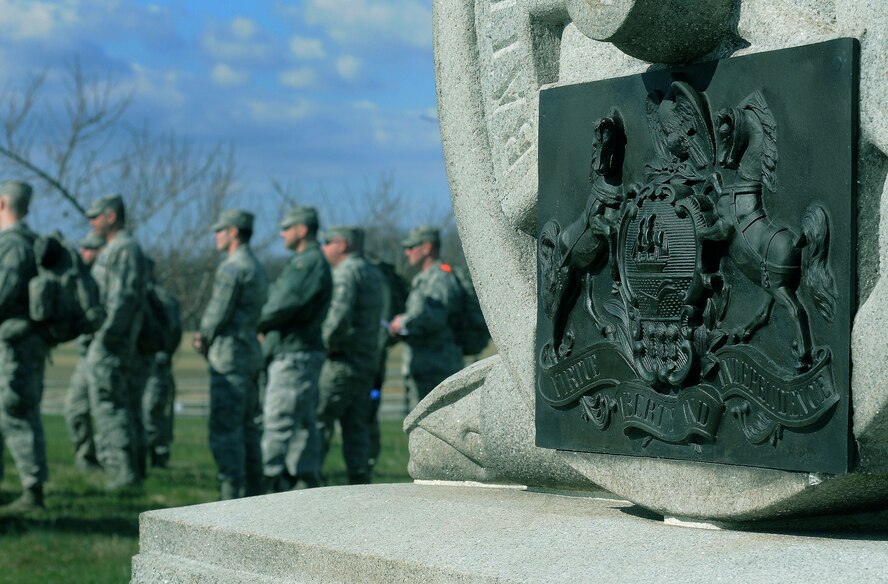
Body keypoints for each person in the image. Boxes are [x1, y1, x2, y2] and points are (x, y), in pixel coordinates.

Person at [194, 209, 267, 500]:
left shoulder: (231, 268)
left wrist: (203, 337)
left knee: (225, 428)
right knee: (249, 427)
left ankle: (230, 492)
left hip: (228, 356)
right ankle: (254, 490)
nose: (216, 236)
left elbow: (217, 312)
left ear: (234, 232)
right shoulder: (258, 267)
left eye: (220, 230)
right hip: (249, 353)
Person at [258, 206, 332, 491]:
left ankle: (269, 478)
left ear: (302, 230)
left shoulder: (308, 263)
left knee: (280, 418)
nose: (281, 233)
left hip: (294, 353)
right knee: (302, 422)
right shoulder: (310, 261)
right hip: (300, 351)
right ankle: (303, 478)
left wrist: (258, 322)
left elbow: (283, 303)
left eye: (286, 228)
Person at [85, 194, 147, 491]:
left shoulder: (124, 249)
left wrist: (107, 337)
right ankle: (131, 469)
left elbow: (122, 299)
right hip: (111, 339)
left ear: (111, 217)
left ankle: (125, 471)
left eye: (96, 216)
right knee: (118, 403)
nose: (91, 222)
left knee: (110, 404)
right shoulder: (116, 248)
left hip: (112, 343)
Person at [317, 226, 385, 484]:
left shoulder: (346, 272)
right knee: (356, 427)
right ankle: (360, 483)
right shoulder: (374, 272)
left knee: (319, 420)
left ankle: (306, 481)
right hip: (366, 362)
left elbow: (338, 317)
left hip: (341, 361)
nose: (324, 248)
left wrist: (323, 344)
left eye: (327, 242)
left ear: (342, 245)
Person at [0, 181, 49, 512]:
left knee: (16, 410)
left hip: (15, 344)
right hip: (23, 342)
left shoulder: (13, 245)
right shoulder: (31, 243)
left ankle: (33, 492)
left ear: (3, 203)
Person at [389, 226, 464, 407]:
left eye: (411, 247)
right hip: (426, 365)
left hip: (437, 368)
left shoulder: (439, 278)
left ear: (427, 248)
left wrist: (403, 322)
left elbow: (435, 317)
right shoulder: (424, 278)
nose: (407, 253)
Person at [63, 233, 106, 473]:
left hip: (106, 353)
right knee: (74, 407)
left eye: (90, 249)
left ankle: (115, 464)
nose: (84, 253)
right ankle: (86, 458)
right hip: (87, 354)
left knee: (107, 413)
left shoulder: (105, 276)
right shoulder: (83, 280)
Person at [141, 260, 182, 469]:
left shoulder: (161, 297)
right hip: (149, 361)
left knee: (153, 410)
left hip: (155, 362)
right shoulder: (147, 295)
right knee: (153, 410)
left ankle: (157, 455)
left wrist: (164, 353)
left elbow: (174, 331)